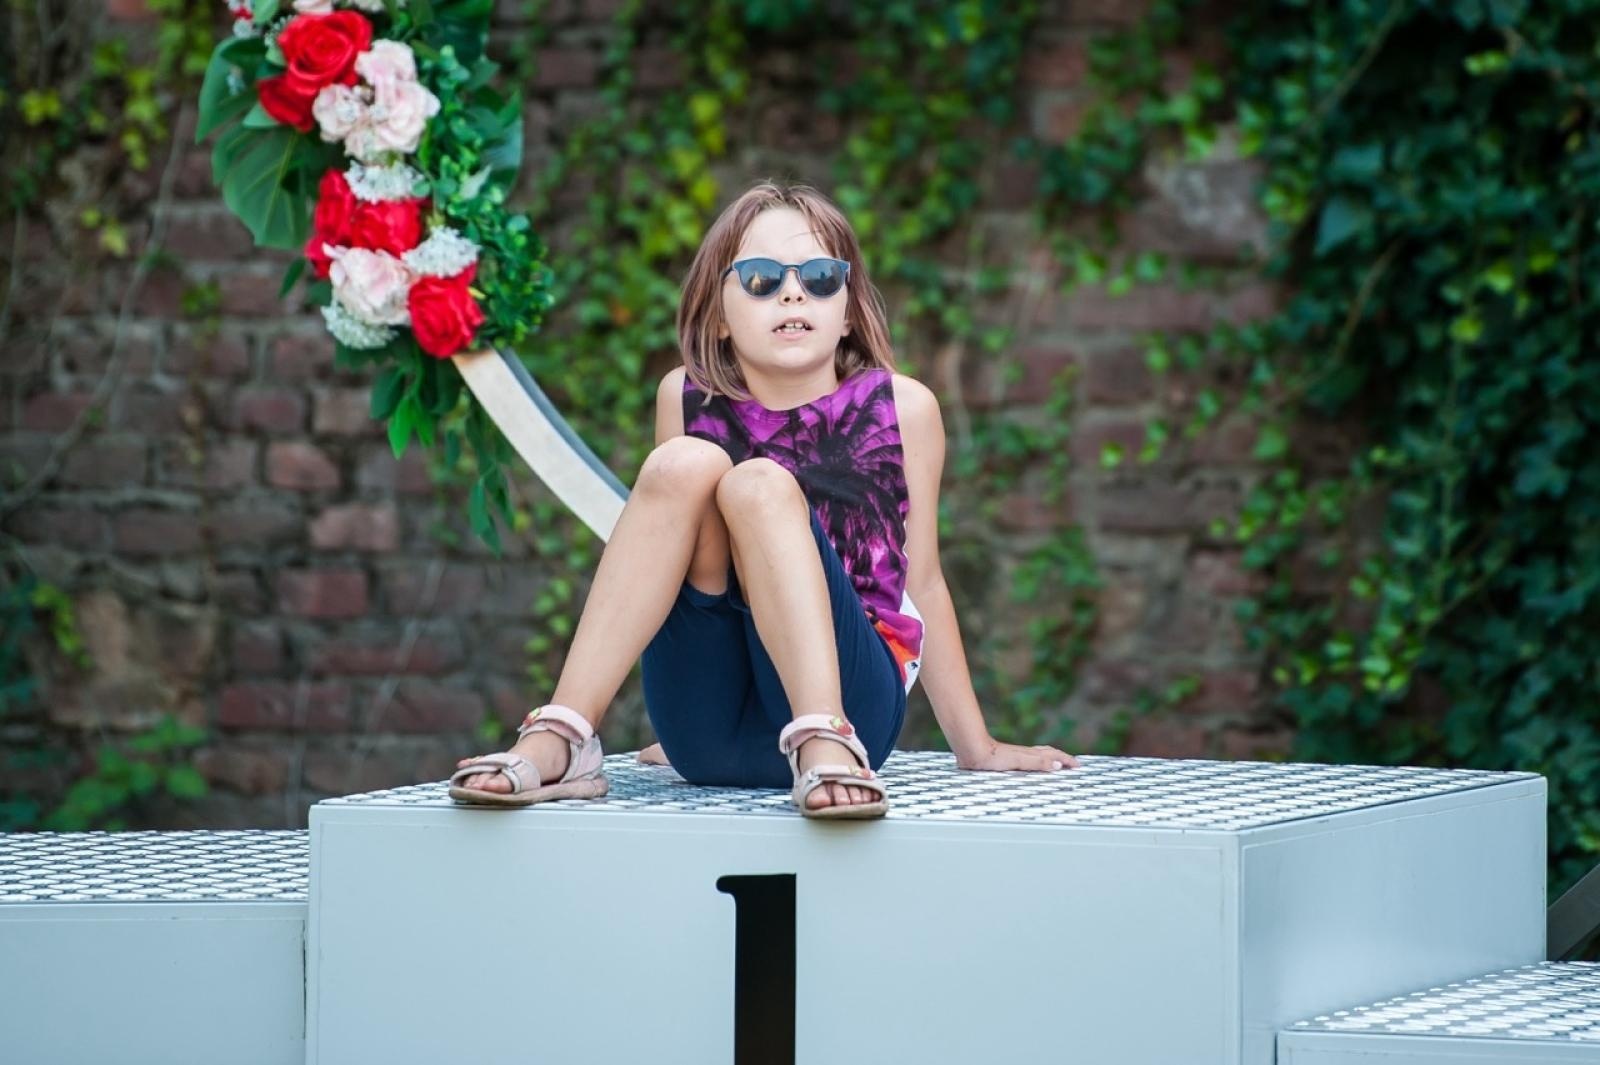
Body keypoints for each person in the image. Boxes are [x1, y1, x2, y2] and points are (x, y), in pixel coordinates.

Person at [449, 180, 1081, 819]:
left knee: (757, 483)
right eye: (759, 278)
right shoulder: (685, 398)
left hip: (852, 712)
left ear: (850, 310)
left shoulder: (902, 407)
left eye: (820, 277)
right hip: (707, 736)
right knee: (684, 465)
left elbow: (926, 581)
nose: (792, 292)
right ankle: (563, 733)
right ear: (719, 314)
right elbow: (684, 574)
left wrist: (976, 748)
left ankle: (819, 737)